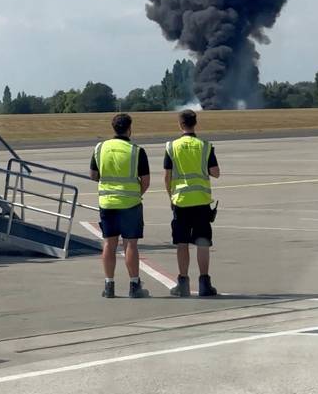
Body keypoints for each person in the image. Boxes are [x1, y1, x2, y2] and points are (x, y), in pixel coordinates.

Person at [90, 112, 150, 299]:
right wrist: (135, 194)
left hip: (107, 203)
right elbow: (146, 181)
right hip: (130, 203)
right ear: (129, 129)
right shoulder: (136, 151)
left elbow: (93, 175)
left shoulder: (100, 148)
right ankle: (134, 285)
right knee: (130, 244)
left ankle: (109, 285)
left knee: (109, 242)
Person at [164, 108, 221, 297]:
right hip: (201, 201)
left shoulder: (172, 147)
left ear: (180, 124)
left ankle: (183, 283)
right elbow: (216, 172)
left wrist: (171, 196)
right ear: (195, 123)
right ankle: (205, 282)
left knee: (182, 243)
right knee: (202, 241)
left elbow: (167, 176)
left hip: (180, 201)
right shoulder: (205, 146)